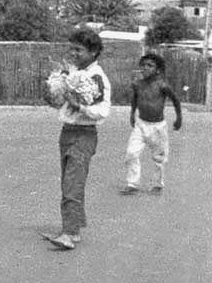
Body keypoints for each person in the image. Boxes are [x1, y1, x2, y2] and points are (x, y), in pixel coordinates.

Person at [42, 27, 111, 250]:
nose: (74, 54)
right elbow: (59, 100)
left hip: (85, 134)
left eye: (79, 50)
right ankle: (73, 228)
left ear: (93, 52)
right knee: (68, 181)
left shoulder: (97, 77)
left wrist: (80, 106)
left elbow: (102, 110)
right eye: (72, 49)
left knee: (73, 182)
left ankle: (69, 233)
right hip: (68, 131)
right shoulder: (74, 74)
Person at [121, 52, 181, 195]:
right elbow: (135, 99)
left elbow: (176, 100)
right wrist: (132, 114)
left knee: (159, 157)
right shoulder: (137, 84)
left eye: (150, 65)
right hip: (141, 124)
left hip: (157, 127)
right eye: (144, 65)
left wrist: (179, 118)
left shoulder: (163, 85)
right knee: (131, 153)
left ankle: (157, 184)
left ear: (157, 69)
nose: (145, 68)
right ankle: (132, 184)